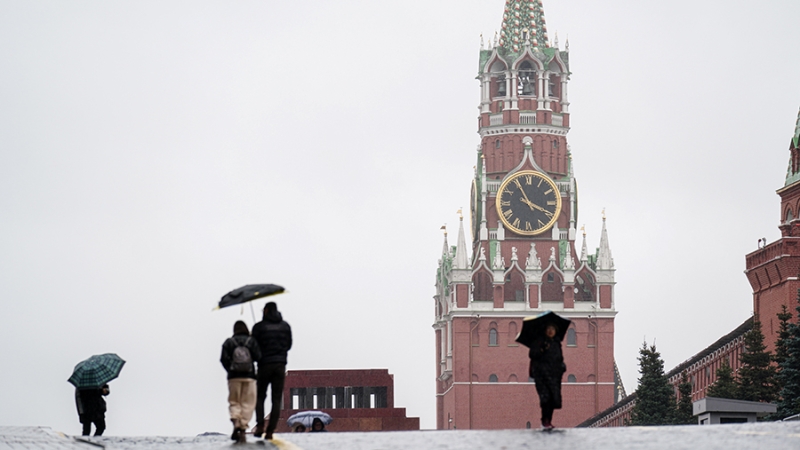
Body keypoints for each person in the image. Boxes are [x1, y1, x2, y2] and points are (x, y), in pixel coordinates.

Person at [251, 302, 292, 440]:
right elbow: (289, 345)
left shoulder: (259, 327)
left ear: (267, 310)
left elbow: (253, 346)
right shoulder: (285, 326)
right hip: (280, 365)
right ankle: (270, 431)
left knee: (260, 396)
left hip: (264, 365)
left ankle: (260, 425)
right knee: (276, 399)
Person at [221, 320, 262, 444]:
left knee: (234, 401)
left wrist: (231, 369)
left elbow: (223, 359)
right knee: (247, 403)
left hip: (234, 377)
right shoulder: (251, 341)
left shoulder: (229, 342)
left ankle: (235, 421)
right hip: (249, 376)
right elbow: (258, 356)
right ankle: (243, 427)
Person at [528, 324, 566, 430]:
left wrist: (562, 366)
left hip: (553, 375)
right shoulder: (539, 342)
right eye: (548, 329)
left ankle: (548, 420)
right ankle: (545, 421)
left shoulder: (556, 343)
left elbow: (559, 358)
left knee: (553, 398)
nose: (550, 331)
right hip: (541, 374)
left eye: (552, 329)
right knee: (545, 397)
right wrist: (542, 349)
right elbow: (532, 354)